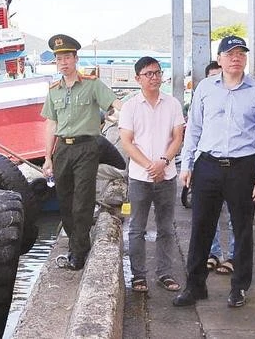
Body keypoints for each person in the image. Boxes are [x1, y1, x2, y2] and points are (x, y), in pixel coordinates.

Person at [173, 35, 255, 309]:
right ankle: (194, 286)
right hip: (208, 165)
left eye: (241, 53)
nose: (236, 58)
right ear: (220, 59)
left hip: (243, 167)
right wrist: (187, 164)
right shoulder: (205, 88)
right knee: (201, 228)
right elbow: (193, 128)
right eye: (230, 54)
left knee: (242, 230)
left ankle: (239, 287)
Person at [41, 33, 121, 270]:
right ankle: (75, 243)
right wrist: (47, 157)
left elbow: (115, 105)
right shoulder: (54, 90)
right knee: (64, 202)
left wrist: (130, 116)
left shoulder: (92, 84)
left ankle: (78, 252)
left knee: (82, 202)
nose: (63, 62)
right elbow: (51, 124)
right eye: (59, 59)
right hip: (62, 150)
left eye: (67, 57)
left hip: (87, 147)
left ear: (76, 58)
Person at [119, 56, 185, 293]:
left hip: (167, 175)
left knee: (166, 227)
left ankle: (165, 273)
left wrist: (164, 161)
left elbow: (178, 136)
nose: (155, 77)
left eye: (157, 73)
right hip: (140, 177)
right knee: (137, 228)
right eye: (149, 74)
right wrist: (150, 165)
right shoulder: (130, 107)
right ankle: (138, 276)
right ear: (138, 78)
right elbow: (127, 142)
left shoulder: (173, 104)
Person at [199, 60, 238, 276]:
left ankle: (233, 256)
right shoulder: (203, 98)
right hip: (208, 164)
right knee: (208, 215)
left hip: (236, 166)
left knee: (235, 216)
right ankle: (212, 253)